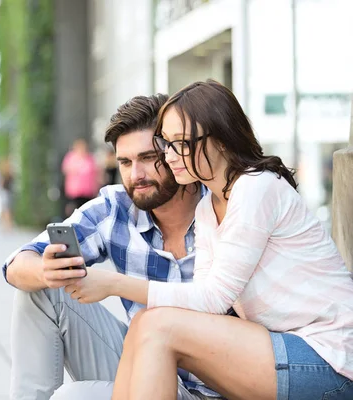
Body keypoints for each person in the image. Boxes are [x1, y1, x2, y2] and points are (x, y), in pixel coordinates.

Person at [112, 80, 353, 400]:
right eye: (165, 143)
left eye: (181, 143)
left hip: (330, 361)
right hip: (284, 349)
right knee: (145, 321)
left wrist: (111, 284)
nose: (169, 156)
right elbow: (202, 304)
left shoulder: (256, 188)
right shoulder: (207, 208)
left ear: (221, 140)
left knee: (158, 327)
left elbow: (214, 298)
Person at [3, 95, 225, 400]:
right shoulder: (116, 208)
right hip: (141, 366)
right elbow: (16, 265)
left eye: (148, 158)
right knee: (43, 287)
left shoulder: (222, 208)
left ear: (176, 153)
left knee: (72, 398)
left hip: (216, 388)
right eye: (125, 162)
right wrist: (46, 268)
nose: (136, 175)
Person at [61, 138, 99, 217]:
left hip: (88, 192)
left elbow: (95, 173)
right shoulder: (71, 157)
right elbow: (66, 169)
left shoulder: (90, 158)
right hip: (74, 192)